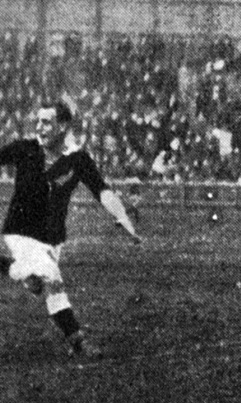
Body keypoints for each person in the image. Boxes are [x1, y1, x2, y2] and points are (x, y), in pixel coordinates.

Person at [0, 101, 142, 358]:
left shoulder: (78, 159)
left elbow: (102, 190)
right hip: (19, 232)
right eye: (38, 121)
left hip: (53, 239)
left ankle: (11, 267)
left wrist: (123, 217)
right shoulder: (24, 148)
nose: (39, 127)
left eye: (46, 122)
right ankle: (79, 342)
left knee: (35, 280)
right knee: (52, 279)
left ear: (63, 126)